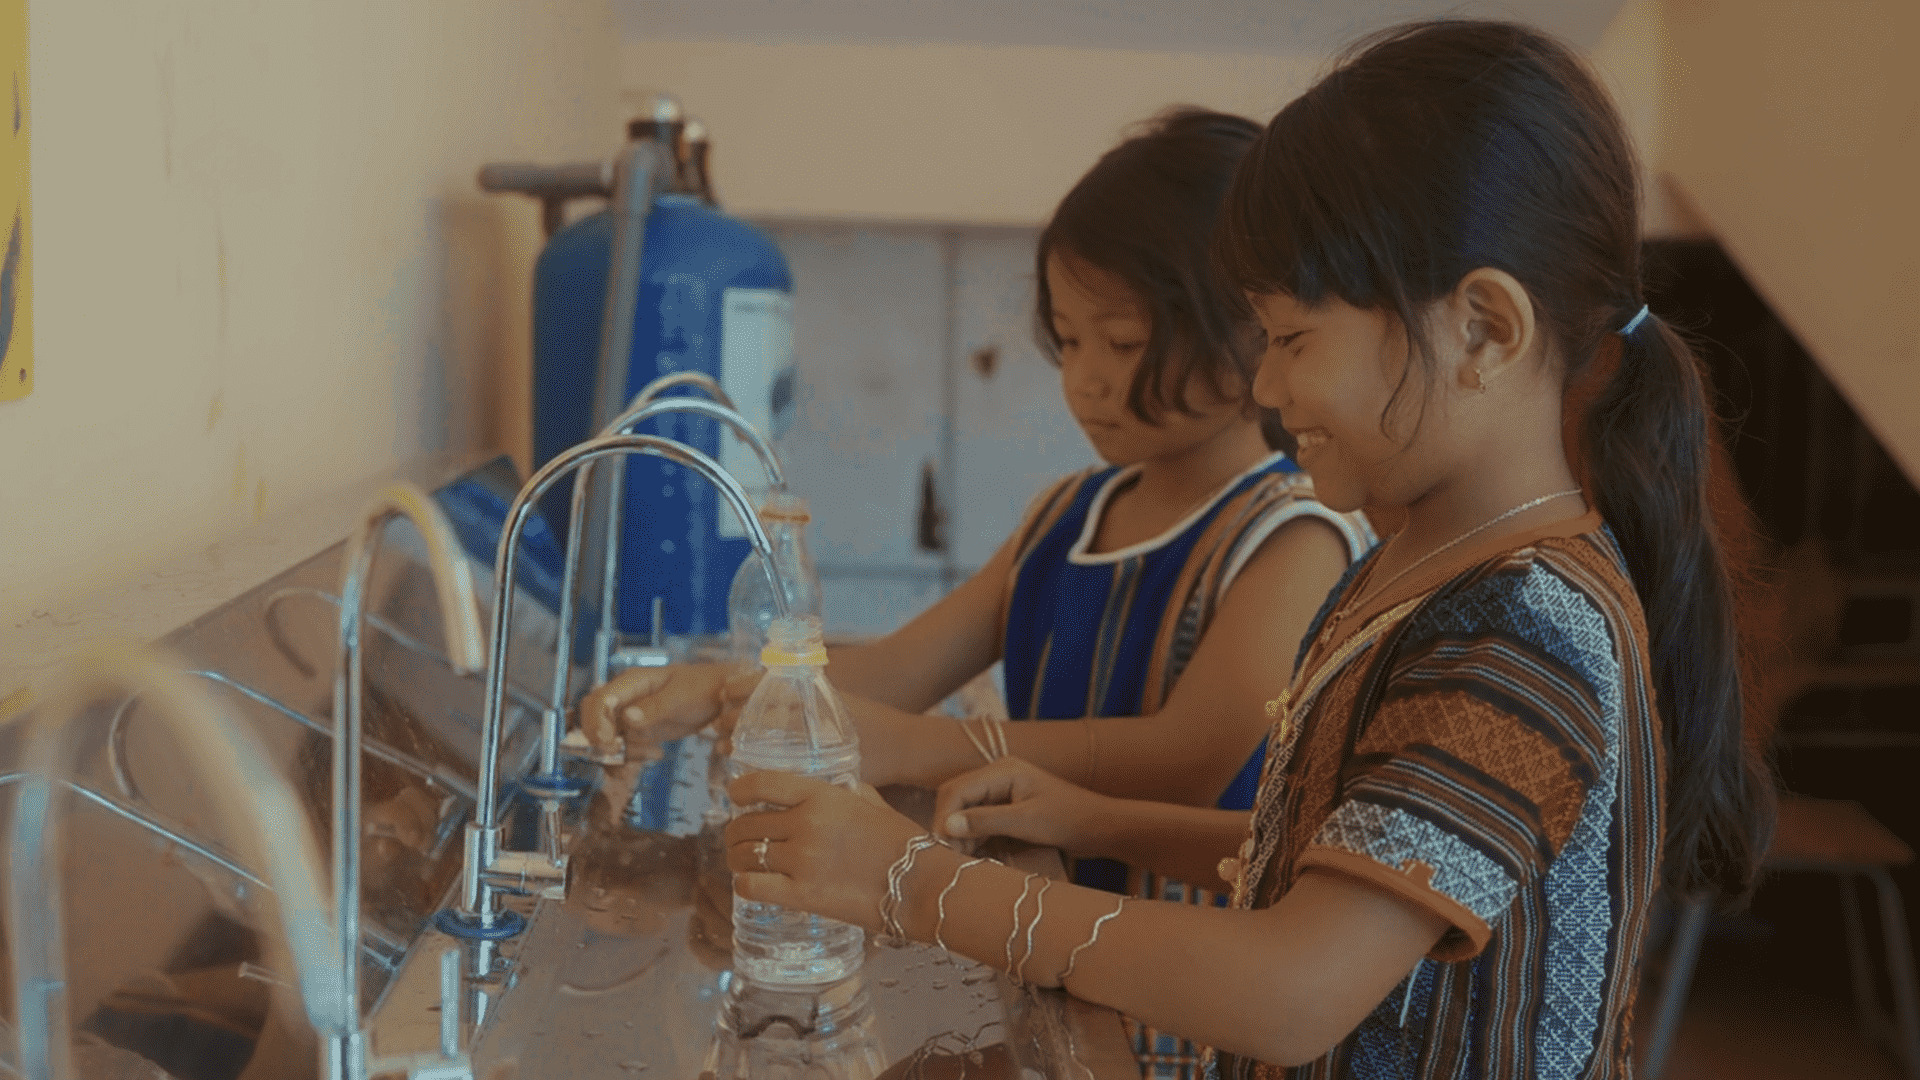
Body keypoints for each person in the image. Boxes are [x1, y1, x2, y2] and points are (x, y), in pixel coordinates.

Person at [717, 20, 1775, 1078]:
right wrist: (1101, 820)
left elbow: (1291, 992)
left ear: (1485, 330)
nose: (1265, 389)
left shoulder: (1524, 634)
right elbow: (1325, 862)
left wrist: (909, 881)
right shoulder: (1418, 567)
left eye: (1293, 339)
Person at [584, 109, 1370, 880]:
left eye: (1124, 342)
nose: (1085, 376)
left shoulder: (1292, 537)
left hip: (1184, 978)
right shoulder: (1067, 517)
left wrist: (916, 745)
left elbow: (1184, 762)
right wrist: (719, 691)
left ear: (1253, 329)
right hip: (1042, 932)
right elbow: (896, 669)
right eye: (1067, 340)